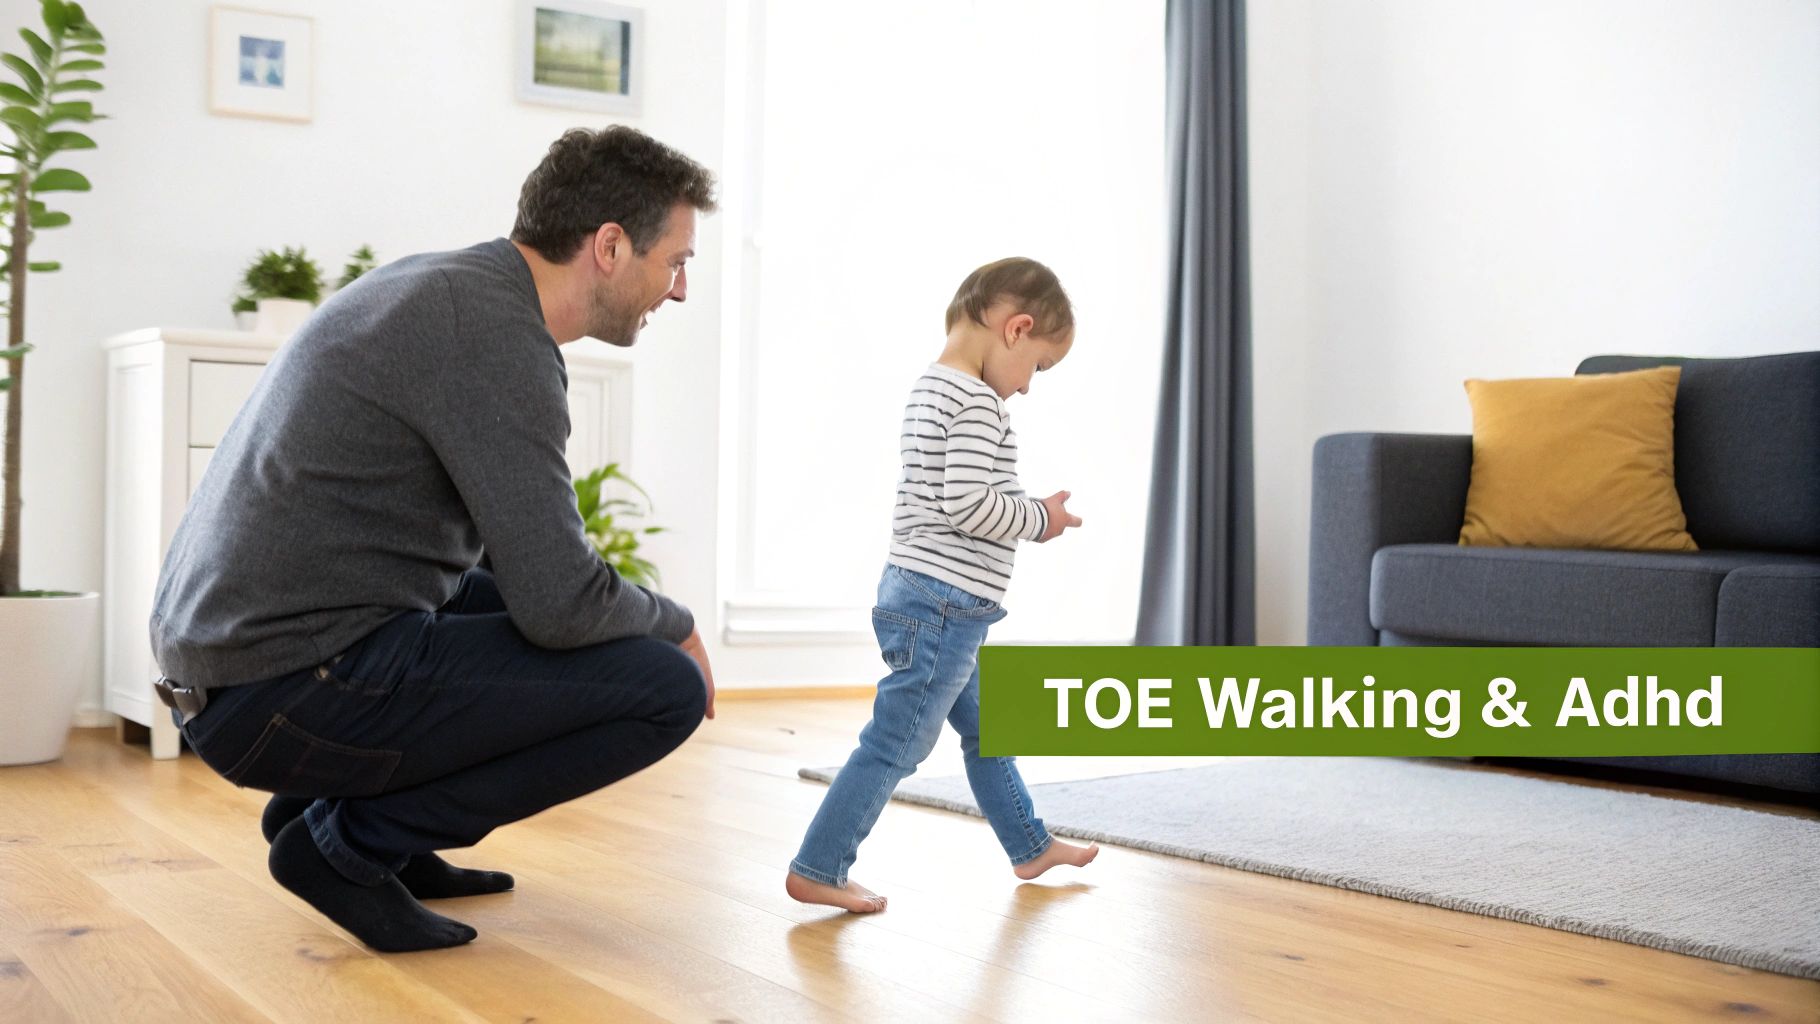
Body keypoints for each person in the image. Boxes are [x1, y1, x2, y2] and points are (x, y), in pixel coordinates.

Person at [149, 126, 718, 952]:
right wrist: (680, 625)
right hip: (277, 691)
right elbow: (562, 603)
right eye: (676, 261)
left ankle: (390, 839)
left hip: (237, 669)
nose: (679, 290)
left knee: (500, 607)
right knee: (658, 684)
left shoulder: (454, 288)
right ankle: (345, 847)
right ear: (608, 246)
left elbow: (519, 572)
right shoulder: (495, 340)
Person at [786, 257, 1100, 913]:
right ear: (1015, 329)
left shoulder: (931, 387)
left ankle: (1030, 843)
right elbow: (968, 505)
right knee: (896, 742)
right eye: (1038, 367)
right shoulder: (980, 403)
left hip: (929, 597)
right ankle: (820, 865)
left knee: (989, 730)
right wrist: (1041, 518)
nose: (1029, 388)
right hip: (945, 605)